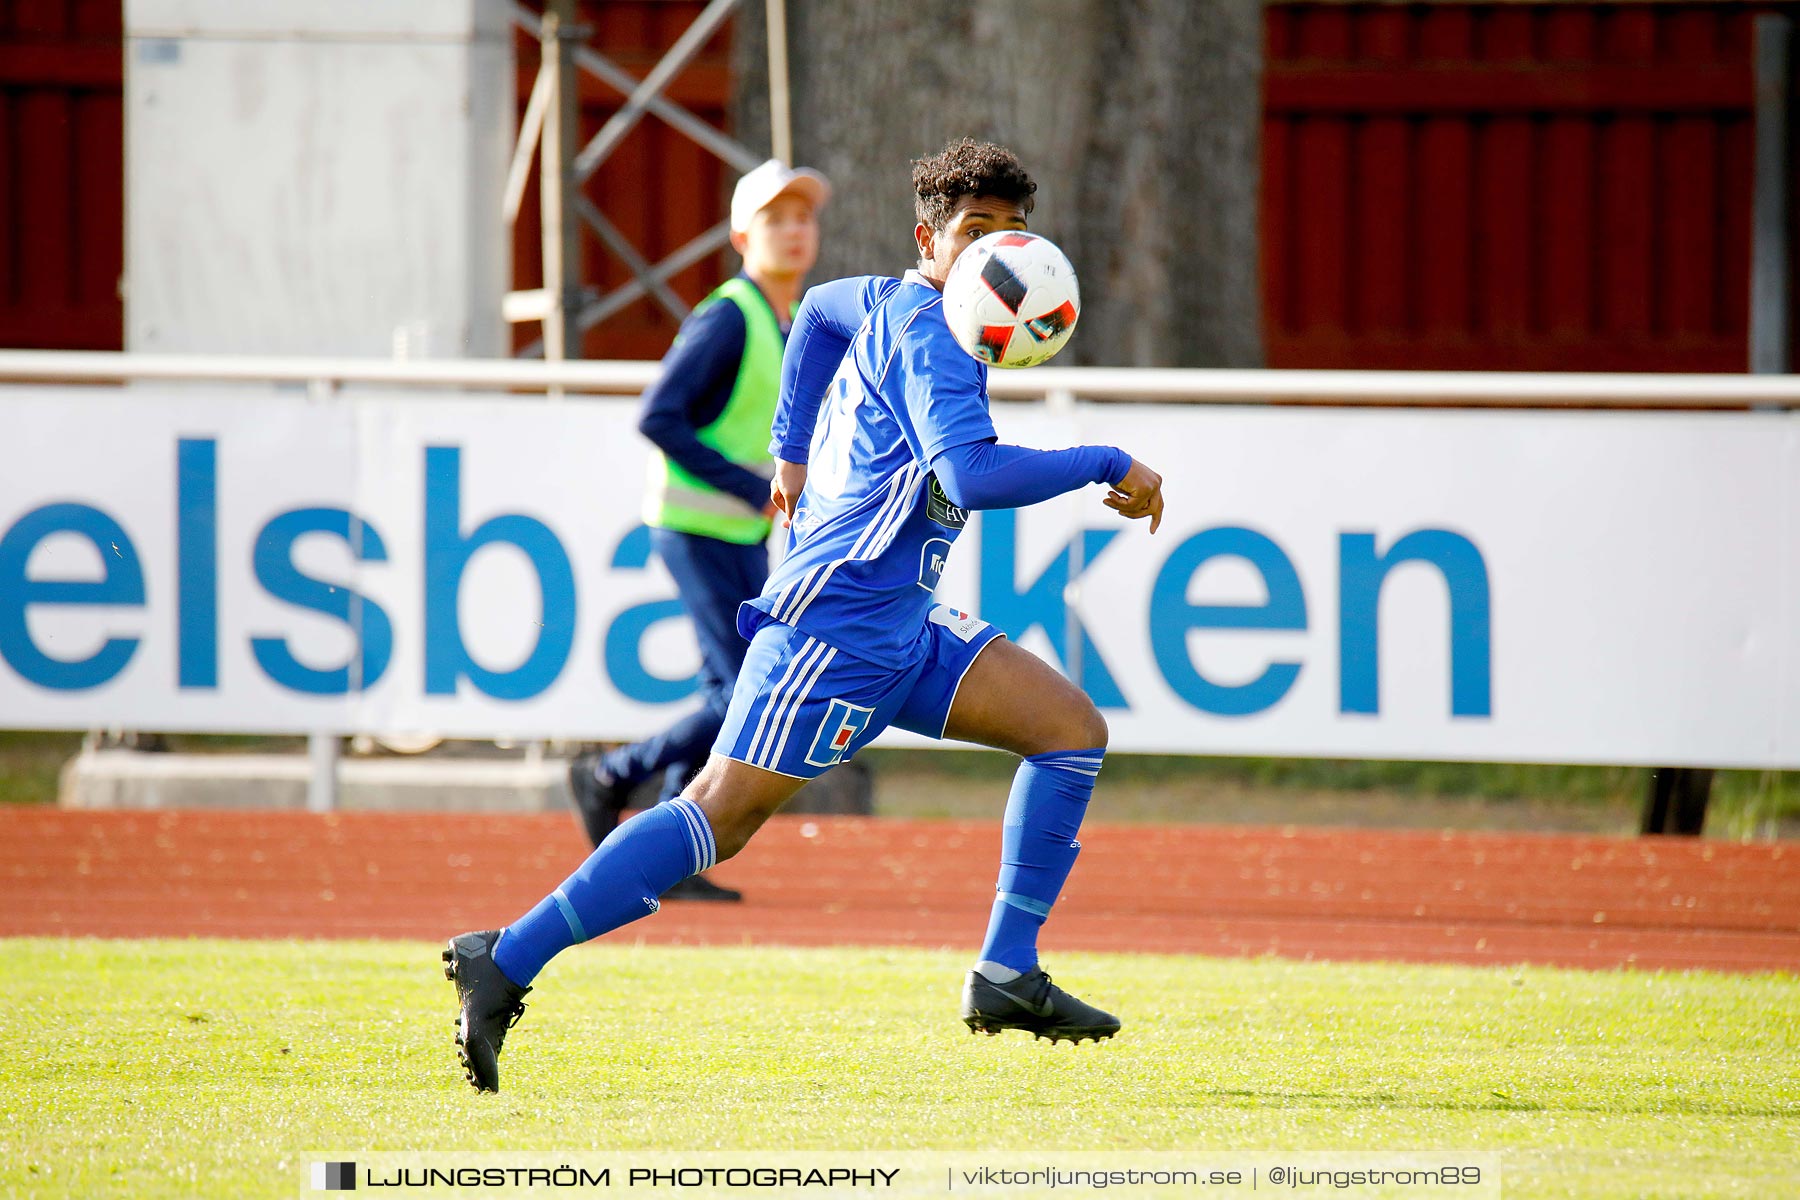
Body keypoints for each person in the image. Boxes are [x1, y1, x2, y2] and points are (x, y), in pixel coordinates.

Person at [445, 137, 1164, 1093]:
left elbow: (821, 313)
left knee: (1070, 732)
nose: (997, 251)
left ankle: (1006, 974)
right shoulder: (931, 339)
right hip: (832, 630)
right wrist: (1106, 461)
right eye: (975, 231)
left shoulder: (886, 299)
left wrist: (789, 449)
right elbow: (970, 475)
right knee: (718, 817)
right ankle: (507, 958)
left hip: (900, 622)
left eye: (1013, 233)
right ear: (930, 241)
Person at [566, 159, 830, 902]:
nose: (794, 231)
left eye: (804, 217)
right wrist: (750, 486)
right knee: (745, 689)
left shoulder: (784, 320)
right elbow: (657, 416)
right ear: (742, 235)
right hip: (695, 527)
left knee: (743, 685)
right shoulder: (729, 315)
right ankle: (611, 774)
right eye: (776, 218)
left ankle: (668, 849)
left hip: (737, 532)